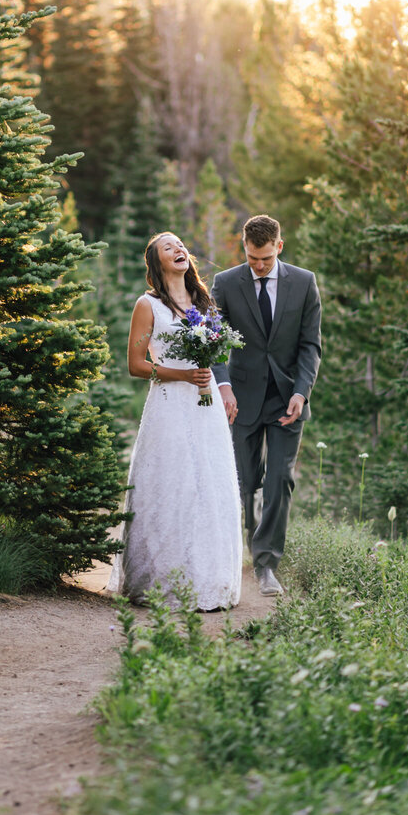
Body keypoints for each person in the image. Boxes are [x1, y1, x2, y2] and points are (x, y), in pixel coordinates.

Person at [107, 232, 242, 610]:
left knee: (209, 485)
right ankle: (162, 582)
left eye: (180, 244)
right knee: (172, 482)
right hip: (168, 403)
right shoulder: (147, 305)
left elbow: (217, 355)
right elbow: (136, 365)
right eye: (169, 247)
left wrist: (213, 380)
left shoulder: (204, 302)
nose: (179, 249)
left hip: (206, 403)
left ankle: (212, 580)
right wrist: (182, 375)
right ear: (156, 262)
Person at [211, 215, 321, 596]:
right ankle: (247, 541)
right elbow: (212, 341)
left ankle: (265, 561)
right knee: (245, 481)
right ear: (244, 248)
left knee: (280, 479)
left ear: (279, 245)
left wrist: (301, 392)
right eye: (251, 257)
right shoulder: (225, 283)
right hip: (239, 398)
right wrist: (223, 385)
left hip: (287, 397)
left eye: (265, 259)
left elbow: (311, 345)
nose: (258, 265)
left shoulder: (305, 283)